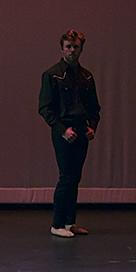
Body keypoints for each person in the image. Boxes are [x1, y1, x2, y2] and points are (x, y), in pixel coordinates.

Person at [38, 29, 101, 238]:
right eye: (68, 47)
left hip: (81, 130)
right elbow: (45, 108)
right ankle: (57, 224)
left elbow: (94, 108)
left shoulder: (86, 76)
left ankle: (69, 222)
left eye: (76, 47)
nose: (72, 50)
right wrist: (62, 130)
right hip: (63, 130)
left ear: (81, 49)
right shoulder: (52, 75)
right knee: (66, 177)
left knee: (75, 177)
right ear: (62, 48)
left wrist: (92, 126)